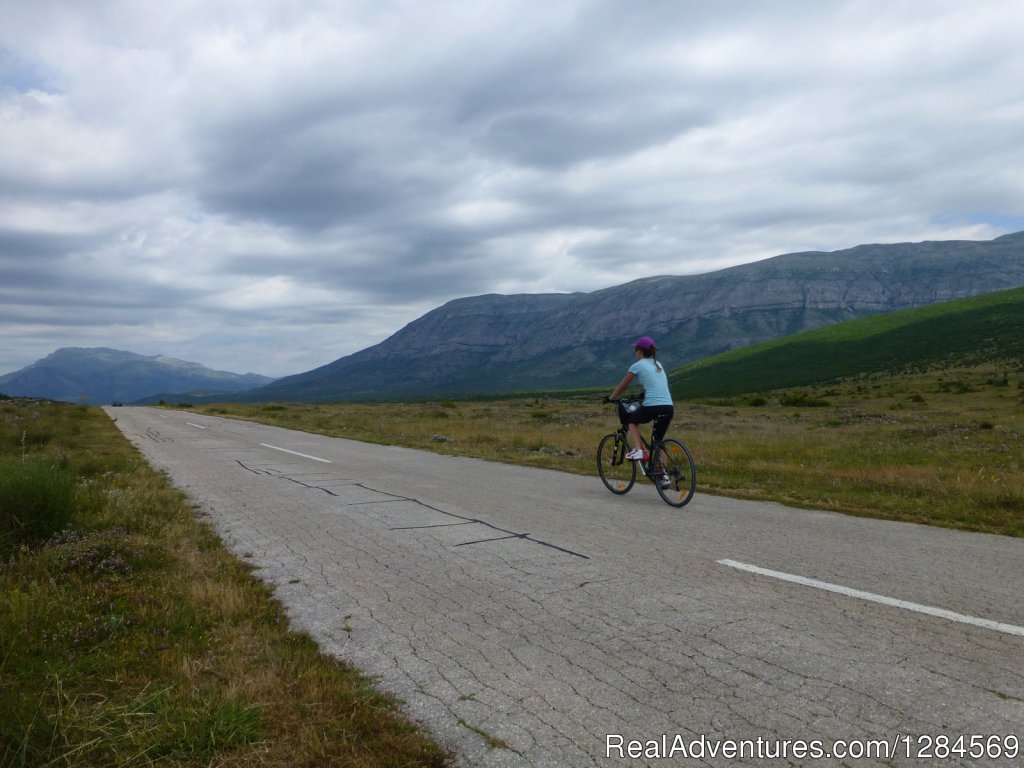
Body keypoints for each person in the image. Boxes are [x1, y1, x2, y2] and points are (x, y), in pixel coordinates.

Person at [604, 336, 675, 478]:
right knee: (658, 442)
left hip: (653, 406)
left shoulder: (638, 365)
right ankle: (664, 476)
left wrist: (610, 398)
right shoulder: (658, 364)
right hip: (668, 407)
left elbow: (623, 386)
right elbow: (656, 384)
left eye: (635, 350)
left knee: (631, 421)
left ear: (639, 351)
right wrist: (643, 394)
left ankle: (639, 450)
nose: (635, 352)